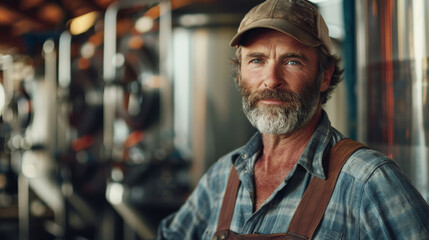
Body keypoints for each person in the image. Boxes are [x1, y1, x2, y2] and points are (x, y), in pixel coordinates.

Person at [157, 0, 429, 239]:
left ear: (324, 76)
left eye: (292, 62)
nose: (272, 80)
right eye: (256, 60)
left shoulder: (367, 182)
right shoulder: (221, 179)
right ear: (239, 74)